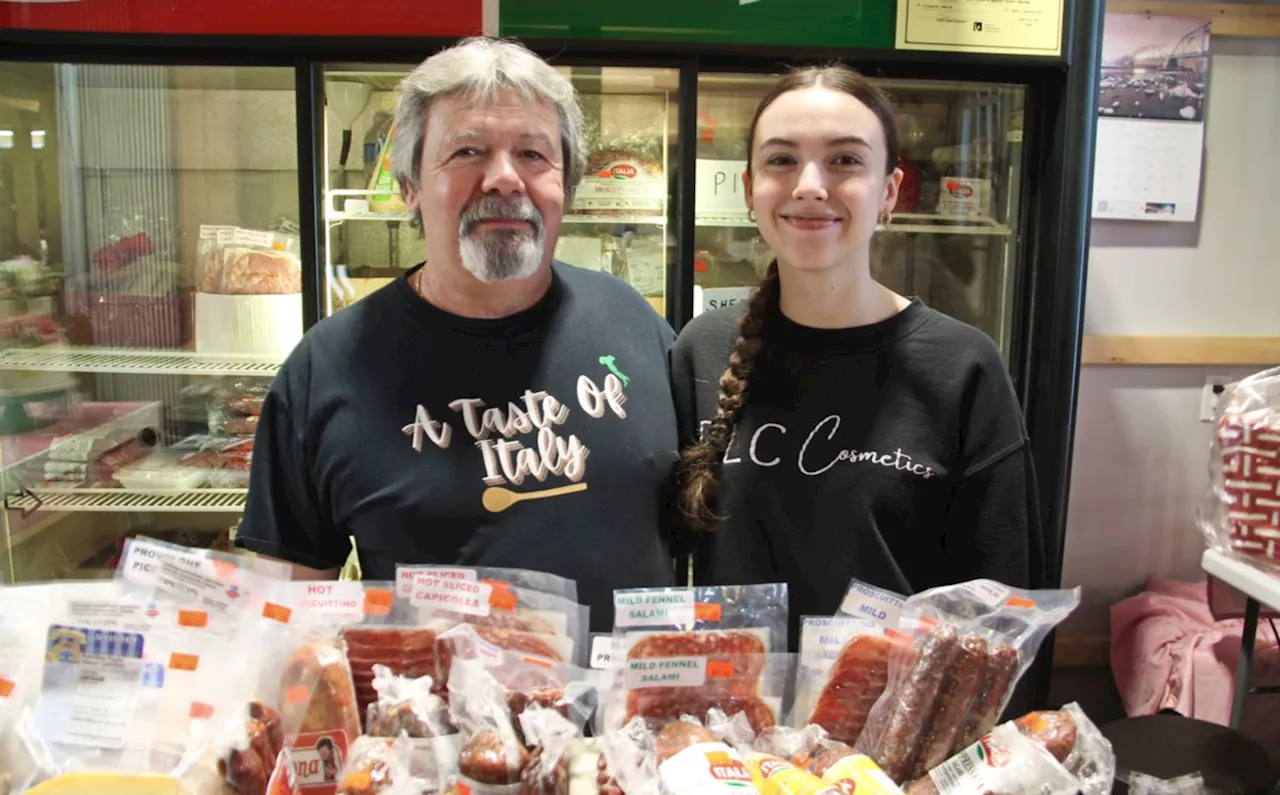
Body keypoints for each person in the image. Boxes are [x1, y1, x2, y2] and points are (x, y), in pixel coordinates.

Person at [237, 38, 680, 630]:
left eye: (533, 154)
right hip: (442, 718)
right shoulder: (329, 366)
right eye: (468, 151)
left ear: (565, 188)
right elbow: (287, 606)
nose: (504, 178)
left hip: (635, 714)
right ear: (410, 185)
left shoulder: (631, 322)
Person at [669, 66, 1045, 647]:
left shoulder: (962, 366)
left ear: (889, 191)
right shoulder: (702, 350)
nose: (810, 185)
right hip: (732, 722)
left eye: (845, 160)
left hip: (891, 725)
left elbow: (1003, 609)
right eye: (781, 160)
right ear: (749, 190)